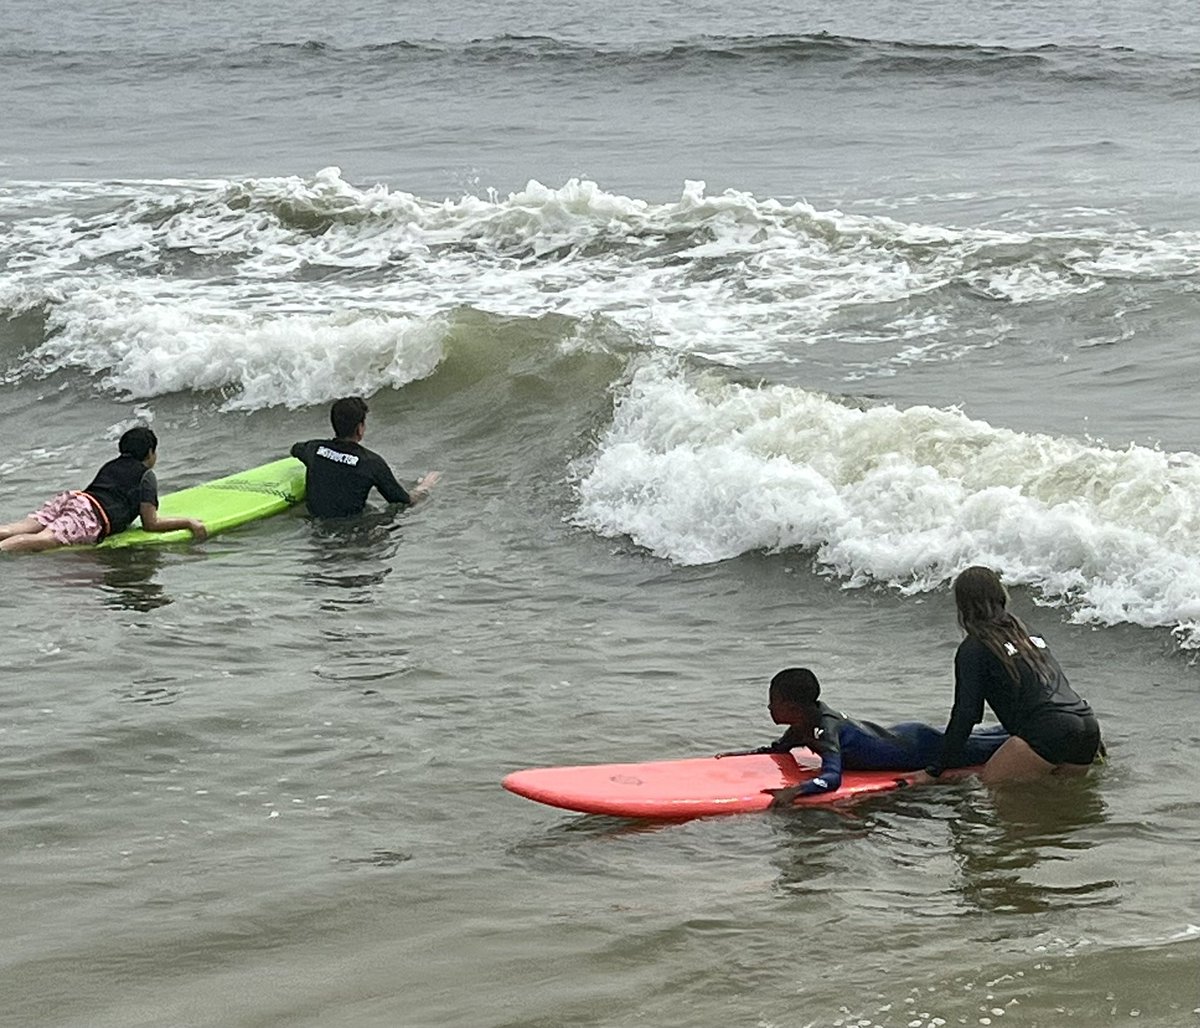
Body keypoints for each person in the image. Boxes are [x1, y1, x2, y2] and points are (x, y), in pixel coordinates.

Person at [915, 565, 1103, 787]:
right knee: (1059, 807)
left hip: (1047, 731)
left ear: (963, 605)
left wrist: (935, 770)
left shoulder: (975, 647)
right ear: (1000, 595)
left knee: (993, 795)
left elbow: (966, 714)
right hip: (1088, 728)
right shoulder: (1028, 633)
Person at [718, 666, 1009, 807]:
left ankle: (1037, 729)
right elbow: (777, 749)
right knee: (984, 738)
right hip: (901, 735)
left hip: (918, 747)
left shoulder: (824, 729)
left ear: (792, 707)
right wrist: (736, 757)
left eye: (773, 701)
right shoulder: (802, 726)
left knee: (992, 744)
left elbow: (832, 778)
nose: (769, 707)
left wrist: (794, 791)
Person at [0, 426, 206, 554]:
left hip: (73, 499)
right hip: (89, 514)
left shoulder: (111, 464)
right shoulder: (146, 476)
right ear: (150, 452)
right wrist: (189, 521)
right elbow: (151, 523)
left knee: (14, 529)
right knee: (43, 540)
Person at [290, 397, 440, 519]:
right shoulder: (372, 463)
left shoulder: (313, 448)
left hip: (316, 527)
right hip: (354, 531)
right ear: (359, 429)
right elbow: (403, 501)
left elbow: (295, 449)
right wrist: (424, 487)